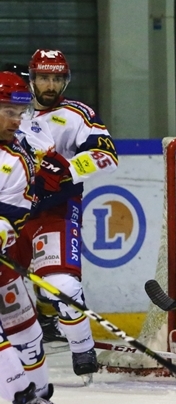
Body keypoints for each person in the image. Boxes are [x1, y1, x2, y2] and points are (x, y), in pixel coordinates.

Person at [15, 49, 119, 382]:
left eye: (57, 78)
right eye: (44, 77)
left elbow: (106, 155)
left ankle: (82, 346)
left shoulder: (77, 114)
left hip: (55, 211)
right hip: (11, 214)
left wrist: (66, 171)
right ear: (32, 78)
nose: (50, 84)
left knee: (62, 286)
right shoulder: (12, 110)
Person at [0, 71, 84, 404]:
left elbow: (12, 217)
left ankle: (39, 398)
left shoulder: (18, 157)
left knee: (27, 330)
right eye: (8, 110)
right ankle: (24, 402)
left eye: (20, 111)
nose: (18, 119)